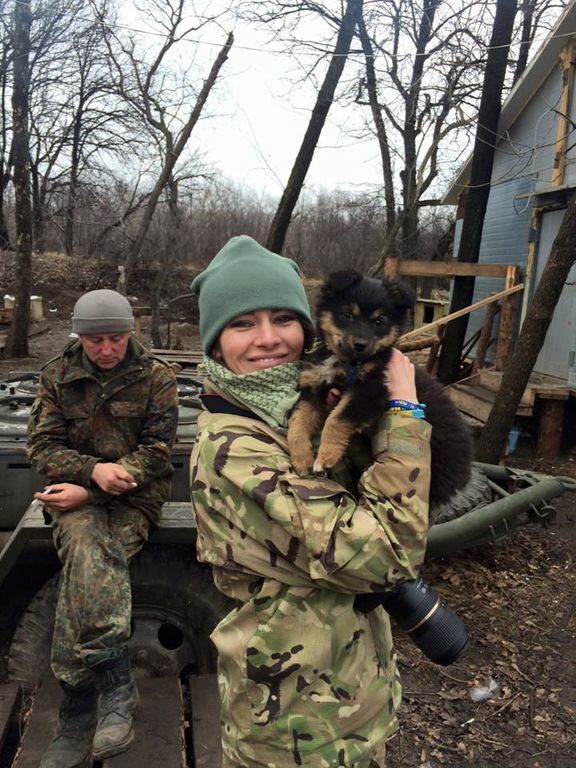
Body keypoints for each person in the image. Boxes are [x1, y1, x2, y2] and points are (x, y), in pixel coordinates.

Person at [189, 235, 432, 767]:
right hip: (294, 732)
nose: (269, 339)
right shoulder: (235, 447)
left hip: (350, 707)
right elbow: (387, 555)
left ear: (306, 324)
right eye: (242, 323)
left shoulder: (289, 404)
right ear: (214, 342)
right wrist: (407, 415)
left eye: (282, 318)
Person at [27, 289, 179, 767]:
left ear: (130, 334)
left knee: (90, 561)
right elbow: (42, 446)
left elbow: (157, 452)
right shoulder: (57, 375)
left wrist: (97, 490)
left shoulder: (157, 377)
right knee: (87, 549)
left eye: (116, 339)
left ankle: (75, 712)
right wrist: (91, 473)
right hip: (74, 493)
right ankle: (114, 687)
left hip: (136, 496)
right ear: (80, 336)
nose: (107, 349)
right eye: (96, 341)